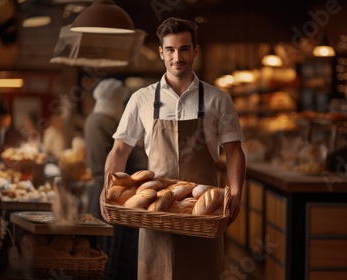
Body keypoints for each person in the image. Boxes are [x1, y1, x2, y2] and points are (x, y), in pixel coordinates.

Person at [101, 17, 246, 279]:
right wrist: (107, 191)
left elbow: (234, 151)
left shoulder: (218, 99)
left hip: (205, 212)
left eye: (184, 49)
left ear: (195, 51)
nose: (177, 56)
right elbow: (119, 150)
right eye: (170, 49)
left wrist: (236, 194)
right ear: (161, 52)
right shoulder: (141, 99)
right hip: (156, 211)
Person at [84, 78, 148, 280]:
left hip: (103, 188)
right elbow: (122, 157)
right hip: (112, 190)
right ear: (114, 101)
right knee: (112, 251)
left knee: (108, 248)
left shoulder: (95, 119)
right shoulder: (105, 121)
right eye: (120, 103)